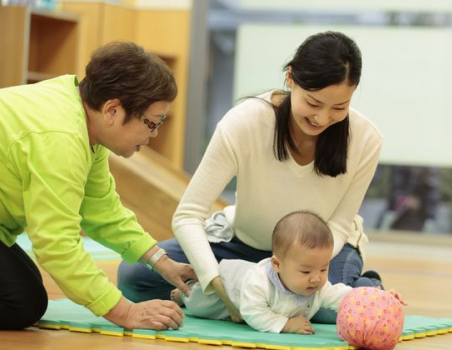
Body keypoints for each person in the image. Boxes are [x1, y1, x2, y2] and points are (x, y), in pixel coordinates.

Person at [118, 31, 384, 324]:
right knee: (135, 277)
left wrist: (297, 272)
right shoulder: (245, 123)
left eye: (338, 108)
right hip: (244, 246)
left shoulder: (366, 140)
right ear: (290, 78)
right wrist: (216, 283)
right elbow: (188, 216)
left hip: (318, 256)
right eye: (313, 103)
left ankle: (367, 289)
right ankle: (283, 298)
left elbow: (338, 225)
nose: (322, 118)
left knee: (332, 308)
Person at [0, 41, 196, 331]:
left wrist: (163, 263)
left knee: (25, 289)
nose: (153, 135)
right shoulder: (61, 137)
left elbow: (102, 210)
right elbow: (56, 246)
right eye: (151, 123)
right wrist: (126, 313)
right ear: (113, 110)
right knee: (22, 303)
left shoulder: (84, 123)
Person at [172, 212, 406, 334]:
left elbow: (341, 296)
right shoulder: (259, 282)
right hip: (228, 290)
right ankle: (182, 294)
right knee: (198, 303)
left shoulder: (316, 284)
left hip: (259, 301)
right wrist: (285, 325)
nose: (317, 278)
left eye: (323, 269)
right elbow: (252, 312)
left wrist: (375, 298)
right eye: (306, 270)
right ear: (277, 265)